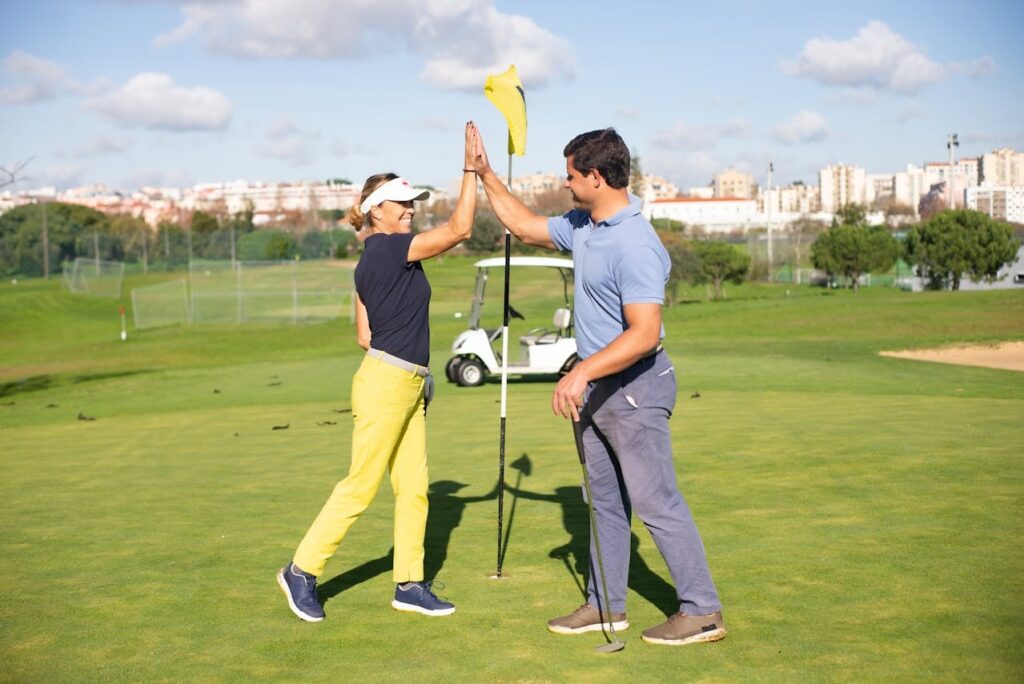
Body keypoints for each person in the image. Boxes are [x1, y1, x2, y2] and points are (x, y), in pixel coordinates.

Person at [468, 127, 726, 646]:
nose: (565, 185)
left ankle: (702, 611)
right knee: (604, 503)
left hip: (635, 387)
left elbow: (645, 333)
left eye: (570, 176)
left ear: (597, 176)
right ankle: (606, 605)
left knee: (656, 503)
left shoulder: (635, 244)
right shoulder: (585, 224)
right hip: (597, 389)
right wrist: (485, 175)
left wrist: (581, 371)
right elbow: (523, 224)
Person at [278, 123, 481, 621]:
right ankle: (301, 571)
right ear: (375, 211)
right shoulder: (391, 249)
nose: (411, 209)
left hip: (402, 379)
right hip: (389, 383)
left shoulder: (376, 259)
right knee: (361, 485)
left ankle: (408, 583)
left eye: (412, 203)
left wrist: (417, 370)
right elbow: (459, 229)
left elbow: (364, 335)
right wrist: (471, 171)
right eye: (402, 204)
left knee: (413, 486)